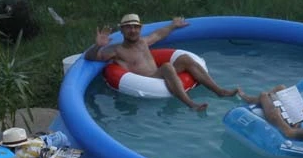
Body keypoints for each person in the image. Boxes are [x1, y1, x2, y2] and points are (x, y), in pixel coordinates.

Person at [84, 13, 239, 110]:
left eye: (136, 27)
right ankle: (191, 104)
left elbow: (158, 34)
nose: (133, 30)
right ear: (122, 30)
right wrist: (98, 45)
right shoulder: (116, 50)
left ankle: (219, 91)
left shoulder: (143, 42)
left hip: (158, 74)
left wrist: (173, 25)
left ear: (140, 28)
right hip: (145, 80)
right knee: (166, 67)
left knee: (185, 59)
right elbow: (91, 57)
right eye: (128, 27)